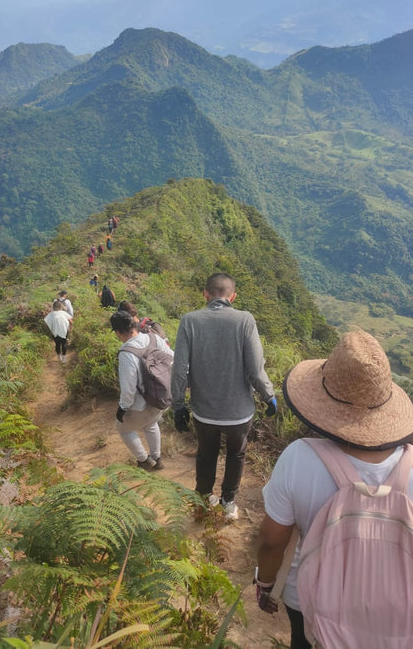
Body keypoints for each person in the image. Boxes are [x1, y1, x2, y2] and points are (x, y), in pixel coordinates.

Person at [255, 330, 413, 649]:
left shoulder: (299, 457)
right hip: (396, 607)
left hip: (310, 596)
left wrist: (266, 583)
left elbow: (273, 543)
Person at [171, 272, 276, 520]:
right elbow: (255, 368)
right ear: (233, 296)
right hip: (238, 413)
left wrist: (178, 405)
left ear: (206, 294)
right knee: (236, 454)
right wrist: (267, 395)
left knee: (206, 453)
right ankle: (228, 501)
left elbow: (179, 369)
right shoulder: (244, 320)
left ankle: (204, 498)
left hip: (203, 411)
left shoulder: (190, 320)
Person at [110, 310, 174, 470]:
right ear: (134, 325)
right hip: (163, 398)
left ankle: (144, 460)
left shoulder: (127, 353)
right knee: (151, 424)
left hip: (143, 404)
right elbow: (173, 358)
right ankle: (157, 458)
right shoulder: (154, 338)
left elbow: (128, 389)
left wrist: (123, 408)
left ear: (118, 332)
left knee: (123, 428)